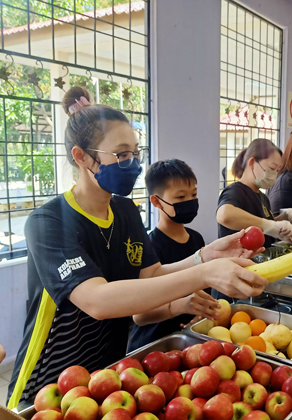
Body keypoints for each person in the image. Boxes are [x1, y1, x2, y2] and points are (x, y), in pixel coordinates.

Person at [7, 87, 267, 410]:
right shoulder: (48, 222)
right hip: (50, 386)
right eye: (121, 155)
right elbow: (98, 300)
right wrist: (205, 274)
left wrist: (205, 255)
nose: (132, 164)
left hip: (108, 377)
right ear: (81, 156)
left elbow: (151, 274)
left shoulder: (126, 212)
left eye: (135, 152)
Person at [128, 159, 218, 352]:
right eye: (180, 197)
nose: (190, 202)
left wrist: (202, 313)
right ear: (156, 201)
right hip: (154, 345)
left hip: (188, 342)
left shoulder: (197, 240)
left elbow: (202, 291)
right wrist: (182, 306)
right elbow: (140, 315)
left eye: (193, 194)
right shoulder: (148, 247)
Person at [216, 138, 292, 248]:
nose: (274, 174)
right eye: (272, 168)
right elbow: (224, 215)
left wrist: (283, 218)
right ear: (252, 163)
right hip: (239, 262)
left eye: (277, 171)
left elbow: (263, 224)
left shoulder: (262, 197)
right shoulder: (235, 191)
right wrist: (269, 225)